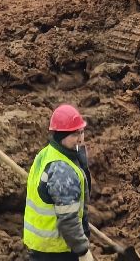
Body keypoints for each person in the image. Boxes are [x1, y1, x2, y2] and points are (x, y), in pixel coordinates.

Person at [24, 104, 93, 258]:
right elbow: (68, 221)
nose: (81, 139)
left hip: (40, 246)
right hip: (57, 250)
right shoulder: (62, 171)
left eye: (82, 132)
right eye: (75, 134)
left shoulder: (47, 152)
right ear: (61, 136)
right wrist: (83, 251)